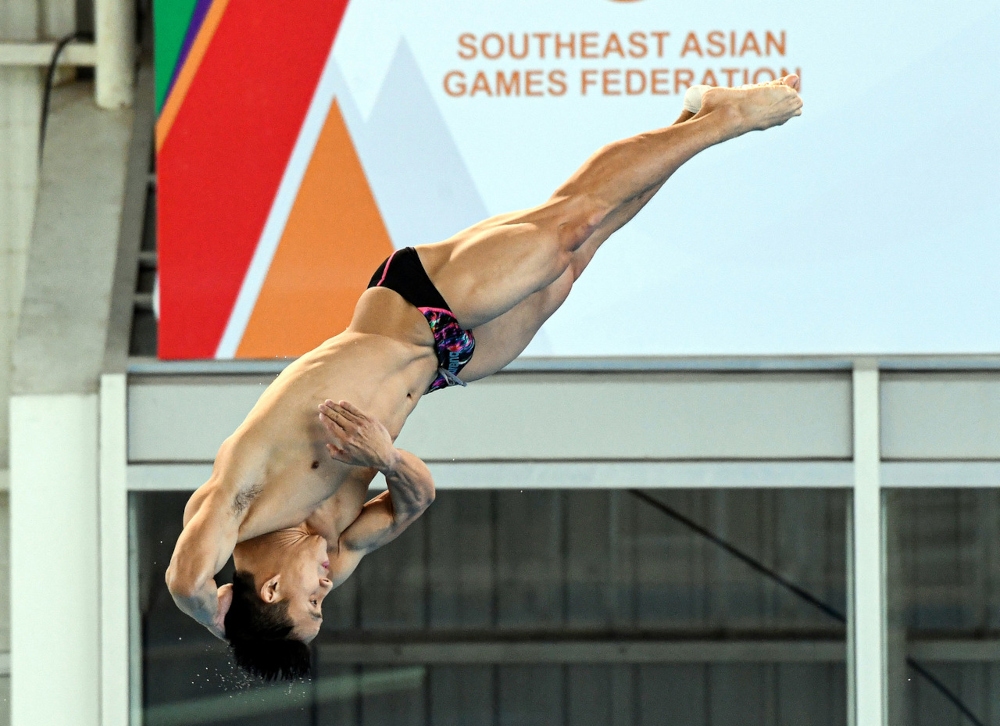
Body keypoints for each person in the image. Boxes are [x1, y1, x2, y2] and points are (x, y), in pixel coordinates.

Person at [165, 77, 803, 680]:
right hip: (447, 364)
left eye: (313, 602)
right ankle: (693, 119)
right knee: (580, 251)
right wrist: (386, 459)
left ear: (270, 589)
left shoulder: (239, 505)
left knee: (567, 225)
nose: (327, 589)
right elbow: (417, 500)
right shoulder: (333, 546)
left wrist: (219, 624)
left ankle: (726, 119)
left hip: (411, 306)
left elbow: (185, 582)